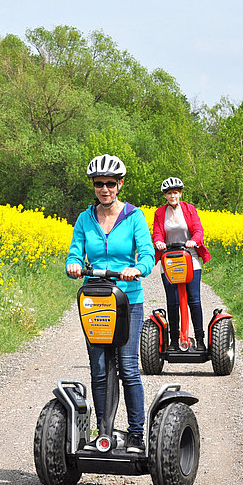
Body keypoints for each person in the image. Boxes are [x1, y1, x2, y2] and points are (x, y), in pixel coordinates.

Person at [66, 154, 155, 453]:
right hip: (96, 299)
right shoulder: (84, 218)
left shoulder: (134, 217)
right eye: (99, 184)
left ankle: (135, 434)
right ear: (93, 185)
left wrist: (138, 268)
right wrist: (74, 264)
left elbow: (147, 254)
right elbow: (74, 253)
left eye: (110, 184)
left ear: (120, 185)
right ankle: (104, 433)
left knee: (129, 368)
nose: (105, 189)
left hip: (128, 299)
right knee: (99, 369)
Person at [152, 176, 211, 352]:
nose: (172, 196)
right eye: (169, 193)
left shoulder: (189, 209)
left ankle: (200, 340)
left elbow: (198, 230)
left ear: (180, 193)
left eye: (175, 192)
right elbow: (157, 233)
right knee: (173, 301)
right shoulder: (159, 213)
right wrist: (158, 242)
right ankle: (174, 341)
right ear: (165, 195)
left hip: (190, 257)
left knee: (194, 299)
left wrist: (194, 240)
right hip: (169, 259)